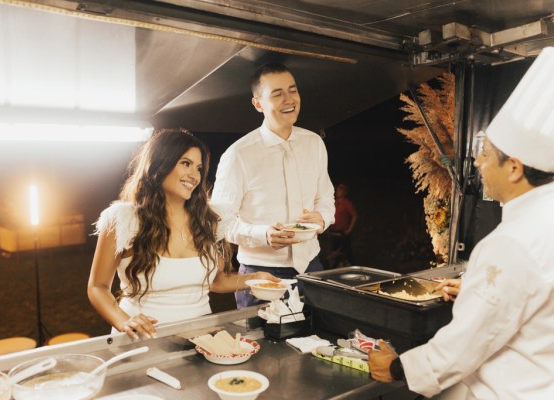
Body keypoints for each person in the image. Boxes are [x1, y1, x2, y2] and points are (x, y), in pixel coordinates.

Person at [368, 47, 554, 399]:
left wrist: (397, 367)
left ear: (514, 168)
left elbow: (465, 346)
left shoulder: (511, 243)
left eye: (485, 155)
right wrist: (475, 289)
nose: (479, 165)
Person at [87, 128, 279, 339]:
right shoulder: (123, 219)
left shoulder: (211, 220)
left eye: (198, 168)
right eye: (185, 163)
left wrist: (255, 278)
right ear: (160, 164)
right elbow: (97, 286)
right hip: (141, 338)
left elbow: (216, 281)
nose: (194, 175)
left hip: (201, 338)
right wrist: (124, 320)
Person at [210, 63, 335, 308]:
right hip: (261, 276)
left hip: (312, 268)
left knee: (319, 343)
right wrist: (262, 234)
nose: (289, 100)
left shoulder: (314, 144)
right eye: (277, 94)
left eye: (293, 90)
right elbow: (219, 223)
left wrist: (323, 218)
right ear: (258, 104)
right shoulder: (238, 155)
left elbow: (326, 198)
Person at [326, 183, 358, 266]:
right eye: (337, 190)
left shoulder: (347, 203)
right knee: (334, 251)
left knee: (346, 251)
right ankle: (335, 267)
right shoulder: (334, 202)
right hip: (333, 231)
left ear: (344, 192)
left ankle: (350, 266)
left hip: (343, 232)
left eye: (340, 190)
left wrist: (350, 229)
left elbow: (355, 215)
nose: (337, 192)